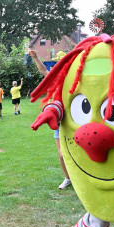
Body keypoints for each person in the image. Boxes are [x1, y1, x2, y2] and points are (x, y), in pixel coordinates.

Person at [30, 50, 71, 189]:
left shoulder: (74, 81)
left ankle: (82, 178)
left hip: (73, 122)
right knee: (61, 155)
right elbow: (43, 70)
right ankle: (67, 178)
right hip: (59, 121)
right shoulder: (55, 81)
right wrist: (35, 57)